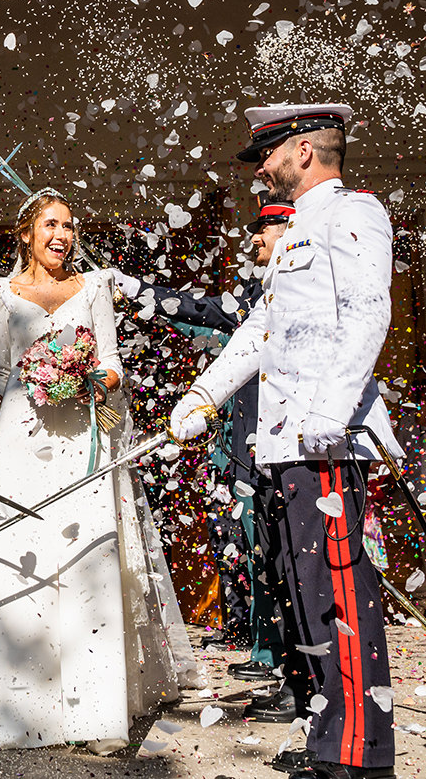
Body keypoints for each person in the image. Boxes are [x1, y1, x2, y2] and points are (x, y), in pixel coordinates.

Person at [170, 104, 401, 779]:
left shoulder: (353, 212)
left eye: (268, 155)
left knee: (339, 599)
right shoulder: (300, 227)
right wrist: (203, 395)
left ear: (302, 151)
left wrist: (331, 410)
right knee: (306, 598)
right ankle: (330, 739)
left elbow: (369, 313)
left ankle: (359, 755)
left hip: (326, 442)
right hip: (287, 444)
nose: (261, 170)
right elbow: (262, 330)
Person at [0, 188, 196, 751]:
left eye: (69, 225)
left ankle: (96, 714)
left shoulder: (94, 287)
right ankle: (18, 711)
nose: (61, 235)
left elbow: (113, 361)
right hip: (22, 439)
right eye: (50, 224)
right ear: (25, 233)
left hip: (84, 439)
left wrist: (96, 377)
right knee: (25, 560)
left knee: (87, 561)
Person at [112, 196, 294, 720]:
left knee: (280, 557)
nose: (254, 240)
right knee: (257, 553)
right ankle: (269, 654)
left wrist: (137, 290)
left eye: (266, 229)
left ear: (288, 229)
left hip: (278, 440)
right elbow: (197, 313)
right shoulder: (253, 291)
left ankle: (285, 665)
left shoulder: (289, 287)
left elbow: (200, 311)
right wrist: (135, 291)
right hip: (243, 441)